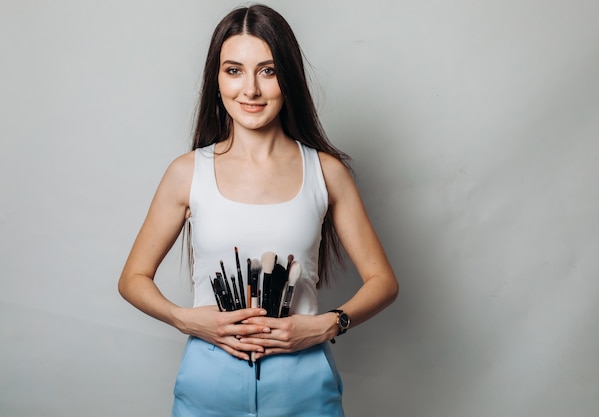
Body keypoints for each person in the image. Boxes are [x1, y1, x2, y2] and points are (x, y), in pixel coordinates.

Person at [118, 4, 398, 416]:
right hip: (206, 387)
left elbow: (383, 282)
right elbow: (132, 279)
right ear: (216, 80)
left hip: (304, 389)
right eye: (234, 71)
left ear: (289, 79)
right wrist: (186, 319)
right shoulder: (186, 172)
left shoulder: (326, 172)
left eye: (267, 71)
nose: (250, 89)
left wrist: (326, 324)